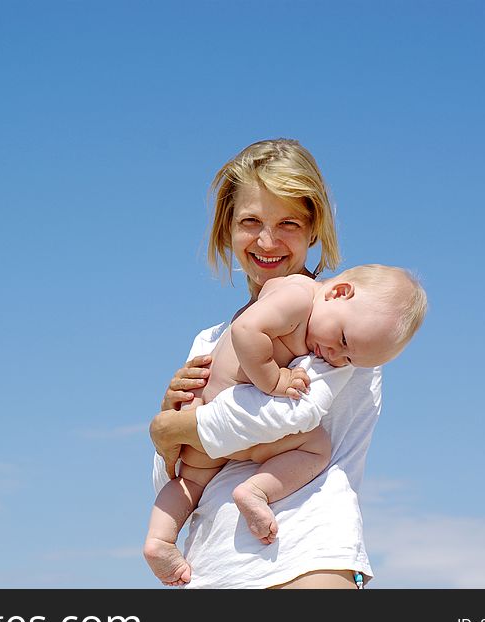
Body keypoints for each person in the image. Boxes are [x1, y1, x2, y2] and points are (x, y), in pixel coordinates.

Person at [146, 138, 408, 589]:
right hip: (214, 566)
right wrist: (171, 418)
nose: (267, 241)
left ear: (314, 230)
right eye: (250, 222)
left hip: (307, 553)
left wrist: (173, 428)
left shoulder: (342, 329)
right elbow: (178, 472)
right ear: (226, 230)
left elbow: (288, 413)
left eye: (288, 222)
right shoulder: (208, 341)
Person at [144, 264, 426, 585]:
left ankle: (160, 539)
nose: (333, 354)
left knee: (189, 484)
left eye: (348, 359)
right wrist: (274, 379)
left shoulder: (331, 331)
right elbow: (246, 331)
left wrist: (177, 426)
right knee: (316, 448)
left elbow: (177, 444)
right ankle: (256, 490)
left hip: (209, 429)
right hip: (225, 431)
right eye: (342, 340)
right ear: (338, 292)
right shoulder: (297, 297)